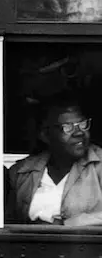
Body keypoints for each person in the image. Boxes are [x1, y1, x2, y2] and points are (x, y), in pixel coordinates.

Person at [6, 94, 102, 226]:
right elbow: (7, 225)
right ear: (45, 135)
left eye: (83, 124)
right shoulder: (22, 173)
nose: (79, 132)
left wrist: (69, 224)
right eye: (67, 127)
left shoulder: (99, 166)